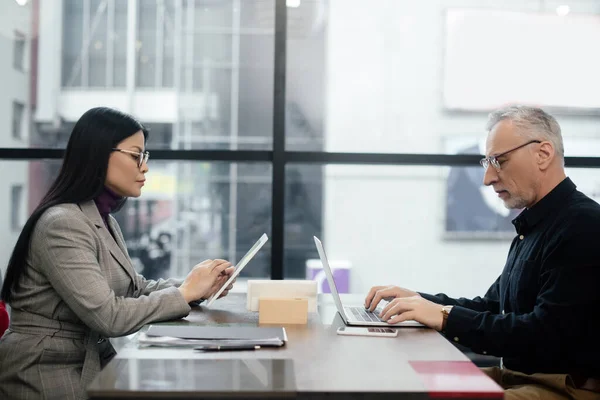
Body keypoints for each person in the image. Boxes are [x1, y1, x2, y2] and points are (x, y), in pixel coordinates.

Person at [365, 106, 600, 400]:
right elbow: (493, 306)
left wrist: (445, 316)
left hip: (562, 387)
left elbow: (545, 334)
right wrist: (418, 301)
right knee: (404, 381)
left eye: (499, 161)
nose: (488, 178)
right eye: (488, 162)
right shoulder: (535, 226)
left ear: (543, 154)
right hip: (520, 377)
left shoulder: (583, 226)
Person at [0, 107, 236, 400]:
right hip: (44, 370)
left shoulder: (101, 218)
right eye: (136, 156)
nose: (145, 167)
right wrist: (185, 293)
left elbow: (133, 289)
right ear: (99, 153)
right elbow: (109, 317)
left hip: (84, 362)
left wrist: (196, 287)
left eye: (145, 157)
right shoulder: (62, 223)